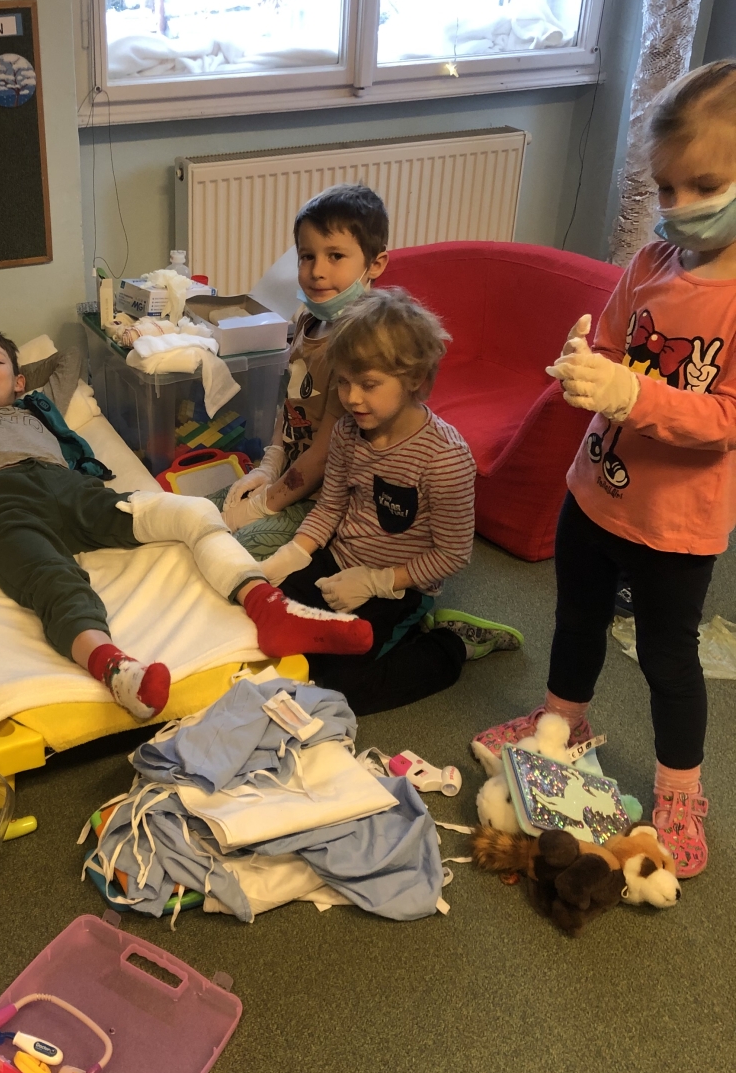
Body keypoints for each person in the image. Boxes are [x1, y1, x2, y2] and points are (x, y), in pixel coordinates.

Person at [473, 59, 736, 878]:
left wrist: (630, 393)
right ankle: (562, 722)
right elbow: (611, 345)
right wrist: (581, 361)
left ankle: (680, 790)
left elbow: (724, 420)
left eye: (704, 186)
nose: (679, 206)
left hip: (674, 524)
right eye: (665, 188)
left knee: (667, 658)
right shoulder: (651, 261)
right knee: (576, 619)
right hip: (592, 492)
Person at [0, 327, 378, 722]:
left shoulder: (37, 406)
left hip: (69, 488)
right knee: (52, 577)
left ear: (19, 379)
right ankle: (116, 670)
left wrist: (19, 378)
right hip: (2, 498)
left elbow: (68, 358)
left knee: (192, 511)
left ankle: (270, 610)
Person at [253, 288, 523, 715]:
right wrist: (291, 556)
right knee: (269, 625)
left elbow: (453, 554)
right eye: (344, 382)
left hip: (398, 589)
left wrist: (377, 582)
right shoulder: (347, 432)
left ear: (415, 378)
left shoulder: (445, 459)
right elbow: (330, 508)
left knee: (344, 688)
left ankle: (449, 643)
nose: (351, 398)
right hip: (337, 562)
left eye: (368, 384)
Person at [221, 184, 390, 552]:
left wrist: (265, 504)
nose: (317, 272)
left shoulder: (360, 345)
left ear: (375, 264)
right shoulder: (308, 320)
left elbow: (325, 454)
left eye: (335, 256)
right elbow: (290, 403)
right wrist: (270, 464)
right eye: (307, 256)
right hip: (294, 475)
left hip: (333, 502)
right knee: (211, 510)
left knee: (236, 548)